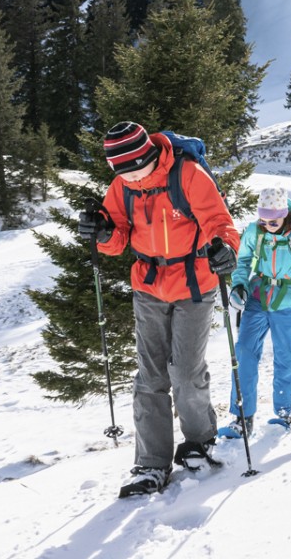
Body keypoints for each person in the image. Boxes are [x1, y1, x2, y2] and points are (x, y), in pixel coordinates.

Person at [77, 121, 241, 498]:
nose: (133, 176)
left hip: (194, 282)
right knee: (149, 376)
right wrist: (101, 233)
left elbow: (220, 222)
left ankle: (200, 440)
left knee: (184, 371)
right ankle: (150, 463)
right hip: (148, 286)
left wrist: (225, 248)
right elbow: (117, 238)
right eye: (124, 171)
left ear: (150, 154)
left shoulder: (188, 174)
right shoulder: (122, 187)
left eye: (137, 167)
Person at [220, 185, 291, 436]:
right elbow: (243, 262)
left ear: (284, 213)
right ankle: (242, 417)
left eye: (273, 221)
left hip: (289, 300)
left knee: (285, 356)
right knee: (244, 352)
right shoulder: (255, 231)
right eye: (263, 219)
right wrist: (239, 285)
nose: (267, 225)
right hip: (257, 296)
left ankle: (286, 413)